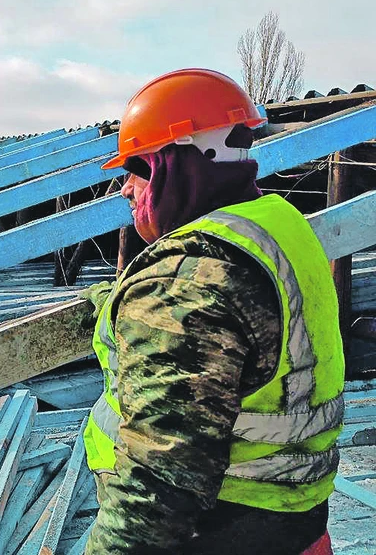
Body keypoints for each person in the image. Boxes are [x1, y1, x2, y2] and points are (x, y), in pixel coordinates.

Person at [82, 69, 343, 554]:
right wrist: (116, 304)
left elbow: (157, 487)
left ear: (174, 165)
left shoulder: (187, 280)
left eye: (134, 171)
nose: (125, 191)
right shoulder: (275, 226)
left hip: (216, 532)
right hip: (295, 519)